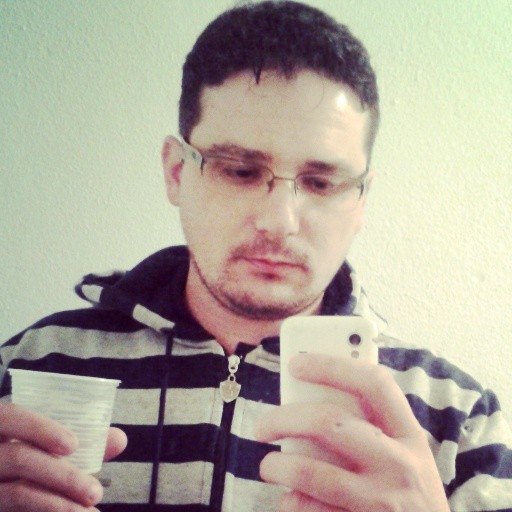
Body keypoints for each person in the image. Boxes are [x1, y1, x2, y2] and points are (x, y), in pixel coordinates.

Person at [1, 1, 511, 511]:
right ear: (177, 172)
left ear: (360, 201)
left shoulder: (460, 423)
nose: (280, 221)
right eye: (240, 171)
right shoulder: (31, 367)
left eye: (322, 182)